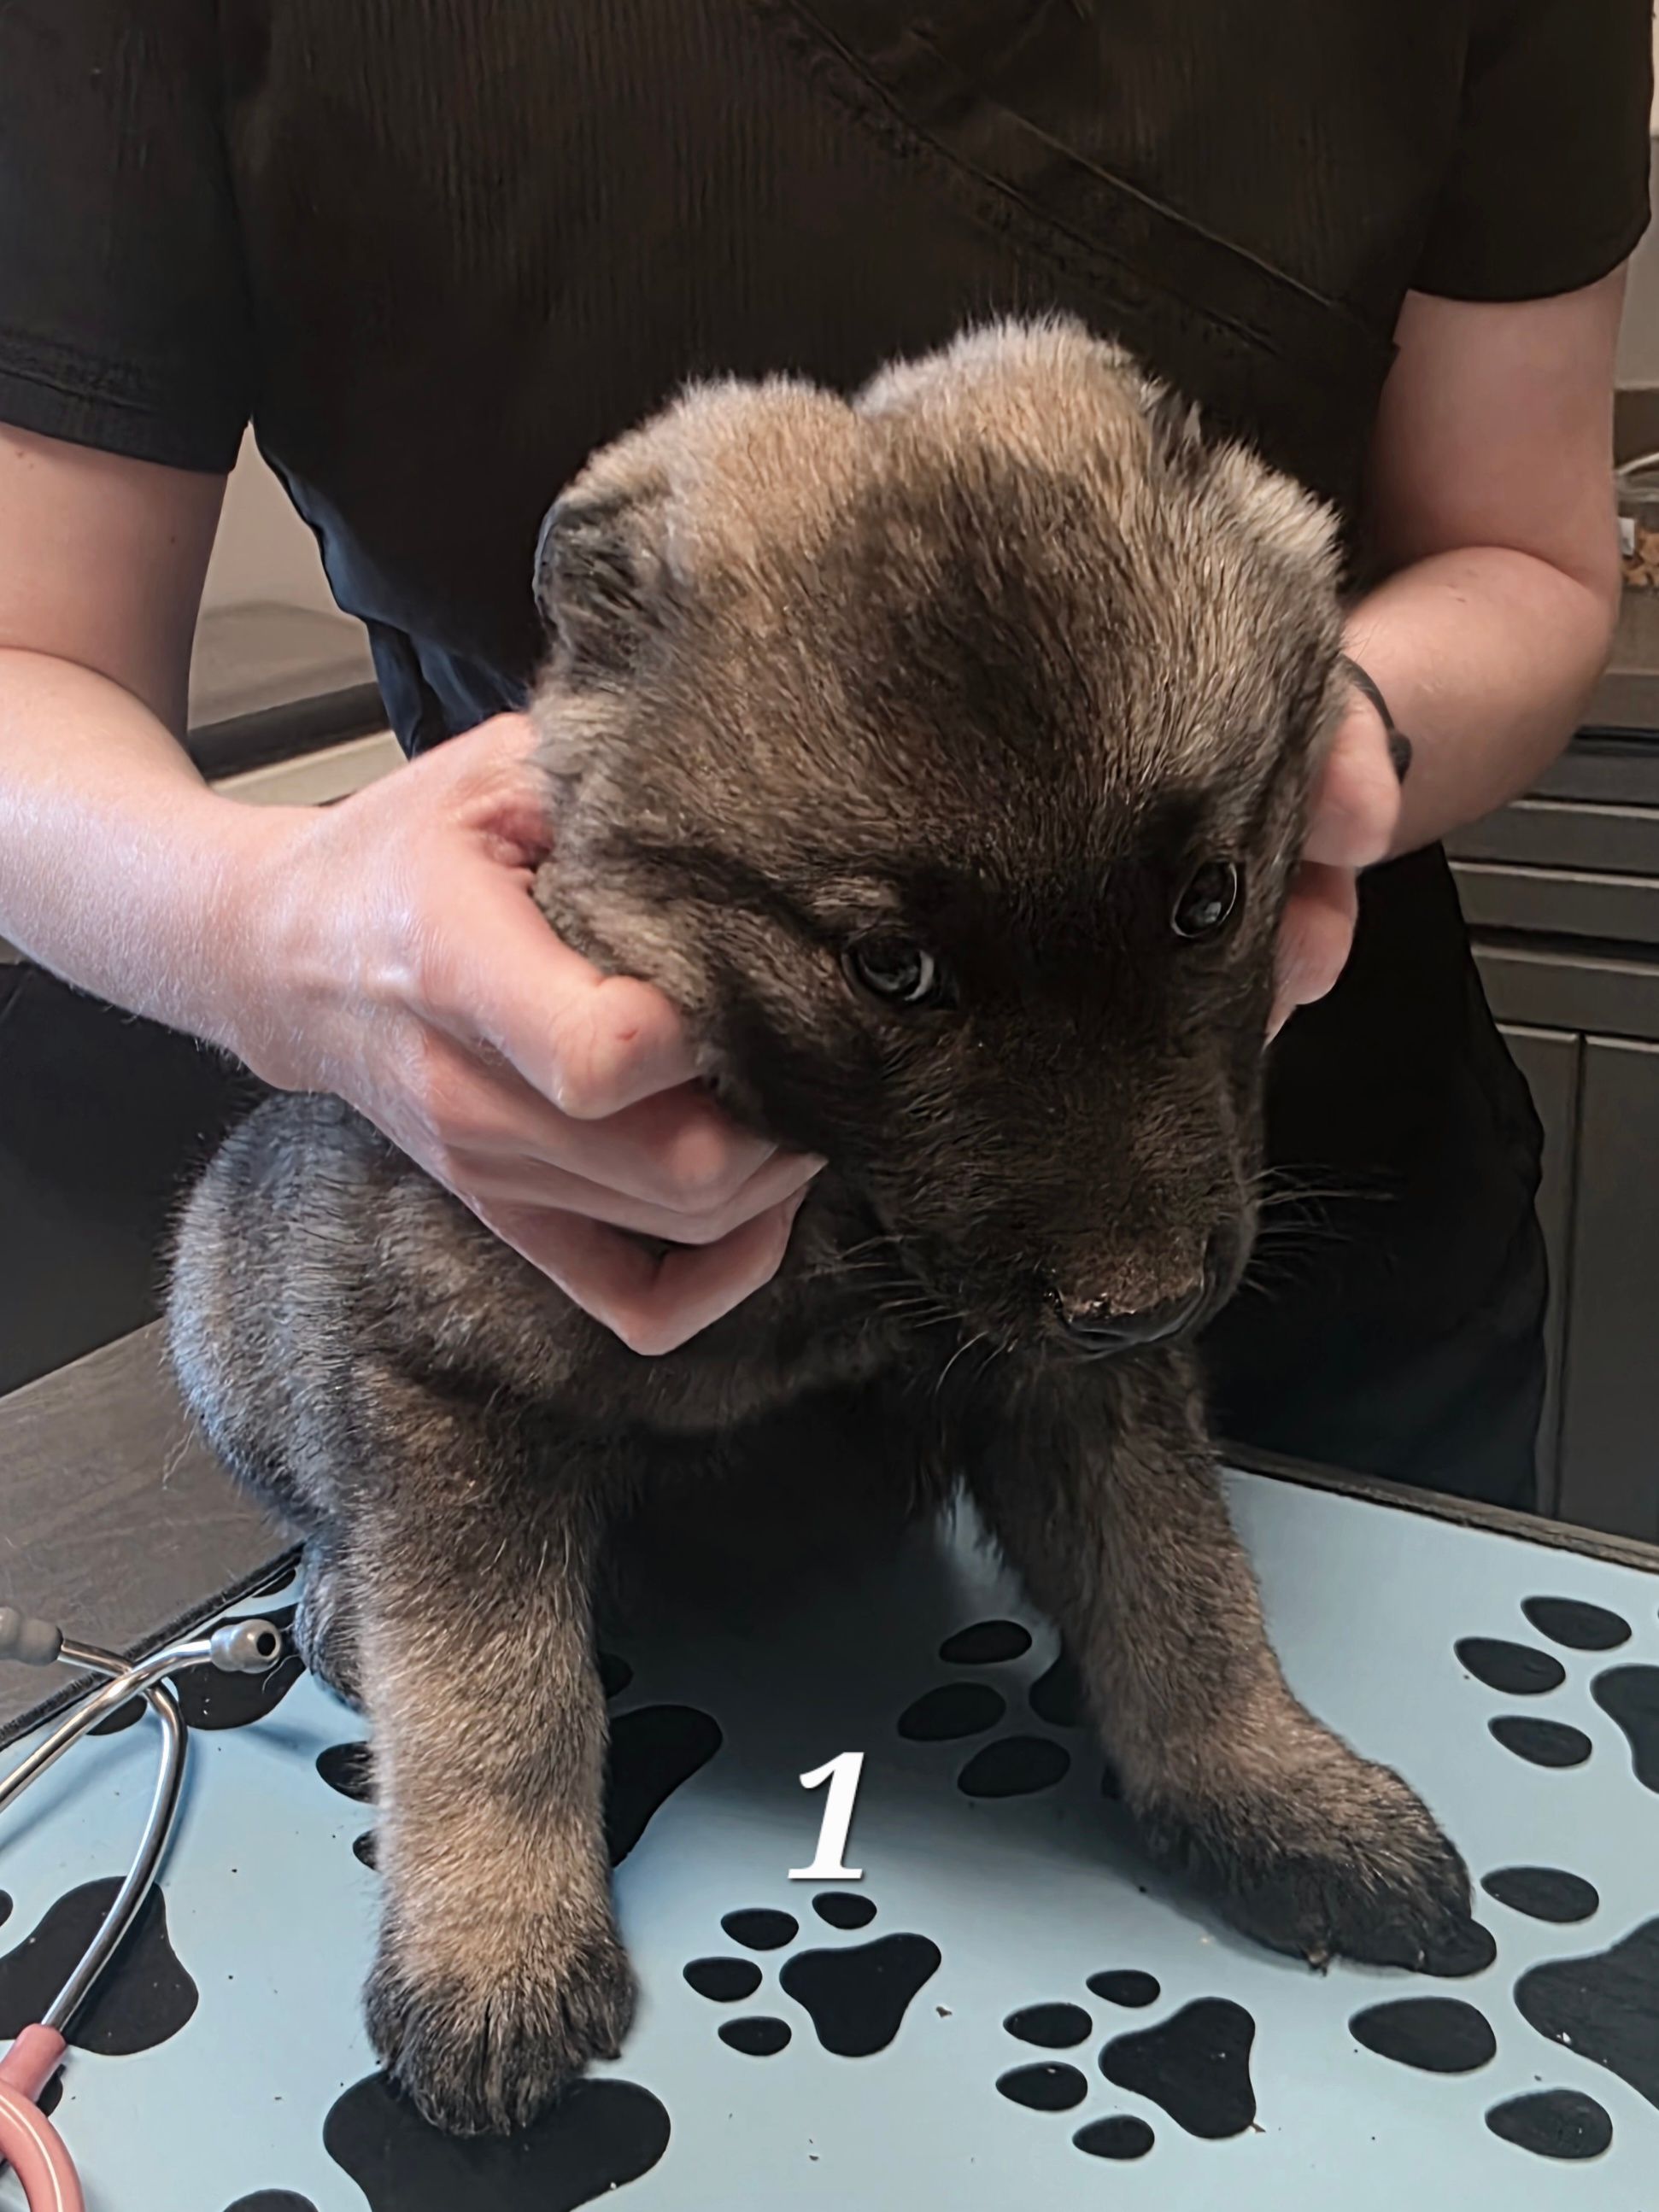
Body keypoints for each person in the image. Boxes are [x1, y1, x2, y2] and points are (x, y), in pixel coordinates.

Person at [0, 0, 1647, 1508]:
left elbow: (1520, 553)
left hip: (1332, 1269)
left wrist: (1330, 751)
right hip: (574, 1301)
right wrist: (277, 932)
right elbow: (31, 667)